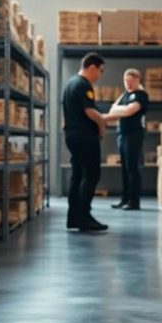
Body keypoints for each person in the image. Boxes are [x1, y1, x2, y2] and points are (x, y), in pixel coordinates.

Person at [62, 52, 108, 232]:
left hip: (73, 135)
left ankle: (73, 217)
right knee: (91, 175)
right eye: (100, 71)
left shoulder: (71, 83)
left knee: (78, 176)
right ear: (92, 67)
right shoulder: (83, 85)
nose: (100, 75)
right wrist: (102, 124)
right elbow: (90, 112)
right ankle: (84, 217)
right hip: (84, 136)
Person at [105, 68, 149, 211]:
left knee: (132, 168)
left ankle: (133, 201)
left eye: (131, 81)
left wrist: (121, 109)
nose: (128, 84)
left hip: (134, 134)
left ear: (138, 80)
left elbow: (130, 111)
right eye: (126, 81)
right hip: (122, 134)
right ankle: (124, 199)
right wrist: (121, 109)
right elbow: (113, 110)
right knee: (124, 168)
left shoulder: (141, 95)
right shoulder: (124, 95)